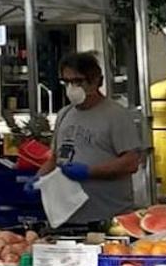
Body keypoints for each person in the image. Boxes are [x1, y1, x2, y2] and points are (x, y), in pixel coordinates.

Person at [32, 52, 142, 225]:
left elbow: (131, 162)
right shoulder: (64, 114)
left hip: (108, 217)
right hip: (68, 217)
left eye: (78, 81)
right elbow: (54, 158)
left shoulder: (116, 115)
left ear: (96, 81)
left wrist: (89, 172)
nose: (71, 88)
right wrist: (38, 179)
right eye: (67, 82)